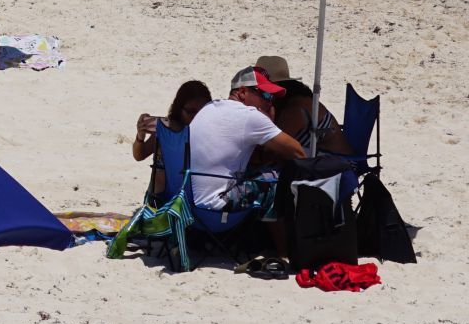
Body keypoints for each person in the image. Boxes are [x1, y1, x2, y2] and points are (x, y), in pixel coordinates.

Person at [184, 67, 306, 262]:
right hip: (215, 210)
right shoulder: (250, 116)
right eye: (265, 94)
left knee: (255, 173)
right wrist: (270, 118)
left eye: (272, 98)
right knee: (274, 179)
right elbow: (298, 152)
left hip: (187, 207)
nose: (269, 101)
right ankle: (283, 251)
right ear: (242, 92)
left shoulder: (208, 108)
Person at [133, 79, 212, 197]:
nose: (196, 117)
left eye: (202, 112)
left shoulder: (211, 132)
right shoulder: (168, 131)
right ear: (179, 110)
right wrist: (140, 136)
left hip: (194, 200)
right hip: (161, 201)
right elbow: (139, 155)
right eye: (191, 111)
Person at [270, 70, 350, 156]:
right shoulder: (298, 100)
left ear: (276, 85)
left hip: (339, 163)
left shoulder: (296, 107)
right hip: (327, 159)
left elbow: (277, 144)